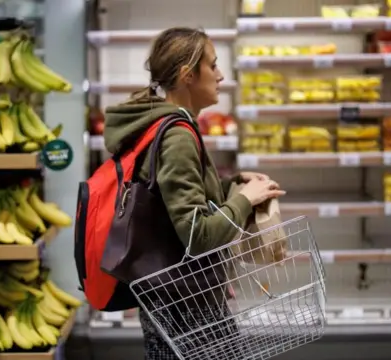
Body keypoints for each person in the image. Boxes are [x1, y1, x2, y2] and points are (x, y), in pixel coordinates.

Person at [102, 27, 286, 360]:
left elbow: (170, 201)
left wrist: (236, 185)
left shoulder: (163, 123)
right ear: (188, 75)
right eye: (213, 66)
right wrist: (245, 200)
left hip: (174, 298)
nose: (220, 75)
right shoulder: (177, 136)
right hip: (186, 310)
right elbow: (196, 235)